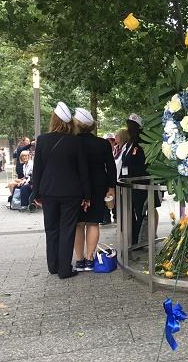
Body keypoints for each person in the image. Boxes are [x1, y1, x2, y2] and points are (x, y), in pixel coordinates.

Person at [32, 102, 91, 279]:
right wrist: (87, 195)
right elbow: (83, 170)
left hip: (48, 192)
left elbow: (37, 169)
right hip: (71, 193)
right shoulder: (75, 142)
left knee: (51, 229)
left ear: (54, 119)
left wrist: (36, 194)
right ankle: (65, 269)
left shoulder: (42, 140)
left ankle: (53, 266)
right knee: (67, 229)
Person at [73, 108, 116, 272]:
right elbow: (110, 167)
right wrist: (111, 187)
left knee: (78, 224)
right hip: (98, 187)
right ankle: (90, 259)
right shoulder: (102, 143)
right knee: (93, 222)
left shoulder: (71, 142)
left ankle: (79, 260)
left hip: (76, 187)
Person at [119, 114, 151, 245]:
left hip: (139, 185)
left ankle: (137, 241)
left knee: (139, 213)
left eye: (129, 126)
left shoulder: (142, 144)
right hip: (129, 185)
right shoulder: (129, 144)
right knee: (131, 213)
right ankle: (132, 239)